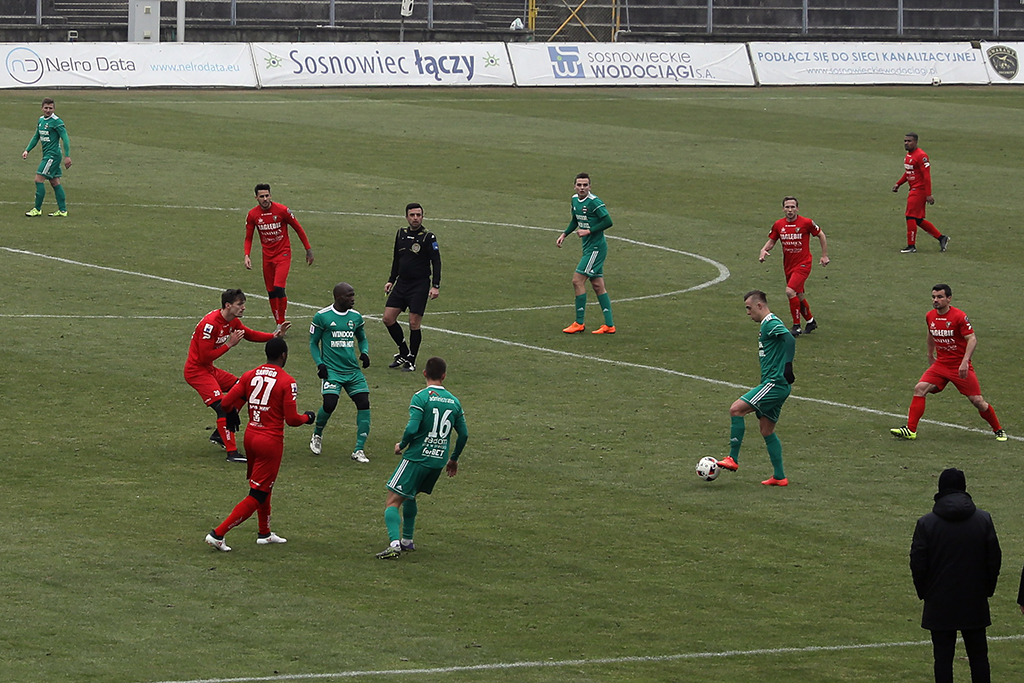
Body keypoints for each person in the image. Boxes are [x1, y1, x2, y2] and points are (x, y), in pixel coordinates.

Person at [205, 338, 316, 552]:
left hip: (251, 436)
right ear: (284, 355)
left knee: (263, 486)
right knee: (257, 494)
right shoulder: (287, 381)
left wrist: (231, 413)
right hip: (270, 442)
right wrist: (308, 417)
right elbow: (292, 420)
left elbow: (226, 403)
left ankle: (264, 533)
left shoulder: (250, 374)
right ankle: (218, 534)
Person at [910, 468, 1001, 683]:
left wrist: (926, 593)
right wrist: (986, 590)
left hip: (939, 601)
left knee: (942, 659)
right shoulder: (983, 520)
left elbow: (918, 564)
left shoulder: (926, 523)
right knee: (979, 657)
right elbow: (994, 560)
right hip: (974, 599)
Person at [376, 356, 468, 559]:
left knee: (392, 501)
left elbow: (412, 428)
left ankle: (394, 545)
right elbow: (464, 434)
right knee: (410, 495)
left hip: (417, 458)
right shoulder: (454, 401)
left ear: (425, 373)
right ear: (444, 376)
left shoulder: (421, 397)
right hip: (437, 461)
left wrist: (402, 445)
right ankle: (407, 540)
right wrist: (453, 459)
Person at [184, 289, 290, 463]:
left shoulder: (232, 321)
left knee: (243, 389)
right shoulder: (210, 324)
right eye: (240, 304)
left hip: (209, 370)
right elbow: (204, 357)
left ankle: (220, 433)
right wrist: (229, 344)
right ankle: (232, 453)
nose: (243, 308)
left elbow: (249, 334)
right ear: (228, 305)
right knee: (223, 408)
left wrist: (273, 336)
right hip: (197, 372)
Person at [891, 285, 1005, 442]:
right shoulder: (930, 316)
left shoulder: (959, 316)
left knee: (978, 401)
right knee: (920, 388)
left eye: (940, 297)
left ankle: (998, 429)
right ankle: (911, 430)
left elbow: (972, 339)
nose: (935, 300)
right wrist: (930, 354)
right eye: (933, 297)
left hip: (959, 366)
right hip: (941, 364)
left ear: (949, 299)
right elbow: (931, 334)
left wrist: (965, 362)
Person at [716, 290, 795, 486]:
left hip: (774, 383)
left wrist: (788, 365)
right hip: (776, 384)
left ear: (759, 305)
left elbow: (790, 339)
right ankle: (780, 477)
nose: (748, 312)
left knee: (736, 409)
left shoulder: (771, 323)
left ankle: (732, 458)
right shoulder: (767, 324)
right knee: (767, 430)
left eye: (749, 308)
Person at [309, 282, 372, 463]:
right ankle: (317, 434)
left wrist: (365, 352)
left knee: (364, 403)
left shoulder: (356, 317)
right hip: (332, 371)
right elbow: (313, 343)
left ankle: (359, 449)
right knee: (330, 404)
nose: (353, 299)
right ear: (338, 297)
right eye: (349, 295)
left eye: (353, 295)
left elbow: (362, 338)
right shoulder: (322, 316)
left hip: (352, 371)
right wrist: (320, 364)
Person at [382, 203, 442, 373]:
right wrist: (391, 280)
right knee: (388, 318)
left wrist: (435, 285)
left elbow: (436, 261)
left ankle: (411, 360)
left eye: (418, 215)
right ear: (407, 217)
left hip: (419, 285)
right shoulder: (401, 233)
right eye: (412, 215)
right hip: (402, 283)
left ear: (422, 216)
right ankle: (403, 351)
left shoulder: (428, 237)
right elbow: (397, 258)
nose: (415, 218)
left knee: (414, 322)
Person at [758, 196, 830, 337]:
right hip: (788, 265)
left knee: (790, 291)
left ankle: (796, 326)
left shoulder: (806, 223)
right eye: (787, 207)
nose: (790, 210)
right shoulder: (779, 224)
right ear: (783, 209)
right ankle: (810, 321)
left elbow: (821, 234)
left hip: (803, 264)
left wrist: (824, 255)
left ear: (797, 208)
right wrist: (763, 250)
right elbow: (772, 240)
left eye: (792, 207)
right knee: (799, 295)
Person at [244, 183, 314, 325]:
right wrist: (247, 255)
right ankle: (278, 323)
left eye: (267, 196)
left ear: (271, 195)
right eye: (262, 196)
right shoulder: (253, 215)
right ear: (256, 198)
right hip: (267, 257)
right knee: (271, 290)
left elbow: (298, 229)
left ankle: (282, 321)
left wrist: (308, 249)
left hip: (283, 254)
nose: (265, 199)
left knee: (279, 287)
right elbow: (248, 238)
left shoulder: (282, 211)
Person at [556, 172, 616, 335]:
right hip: (588, 247)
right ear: (574, 186)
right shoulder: (575, 200)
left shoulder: (594, 202)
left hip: (596, 248)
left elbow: (608, 221)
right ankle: (609, 325)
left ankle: (579, 323)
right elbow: (575, 219)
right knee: (597, 285)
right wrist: (564, 234)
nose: (582, 188)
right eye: (579, 185)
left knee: (577, 280)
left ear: (590, 186)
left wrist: (589, 231)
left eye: (585, 185)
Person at [893, 133, 949, 254]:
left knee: (910, 216)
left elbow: (926, 176)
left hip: (919, 190)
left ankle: (911, 246)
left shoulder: (921, 156)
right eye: (905, 141)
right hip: (914, 189)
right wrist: (898, 184)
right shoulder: (909, 155)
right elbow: (909, 172)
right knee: (917, 219)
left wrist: (928, 194)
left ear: (916, 142)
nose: (906, 143)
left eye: (909, 141)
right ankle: (941, 238)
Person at [22, 97, 72, 218]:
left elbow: (65, 138)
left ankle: (37, 209)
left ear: (54, 109)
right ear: (42, 108)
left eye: (50, 108)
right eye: (46, 108)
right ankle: (63, 210)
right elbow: (36, 136)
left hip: (52, 156)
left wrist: (67, 156)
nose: (48, 110)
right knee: (55, 182)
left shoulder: (57, 122)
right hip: (48, 155)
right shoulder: (41, 120)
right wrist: (27, 150)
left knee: (38, 179)